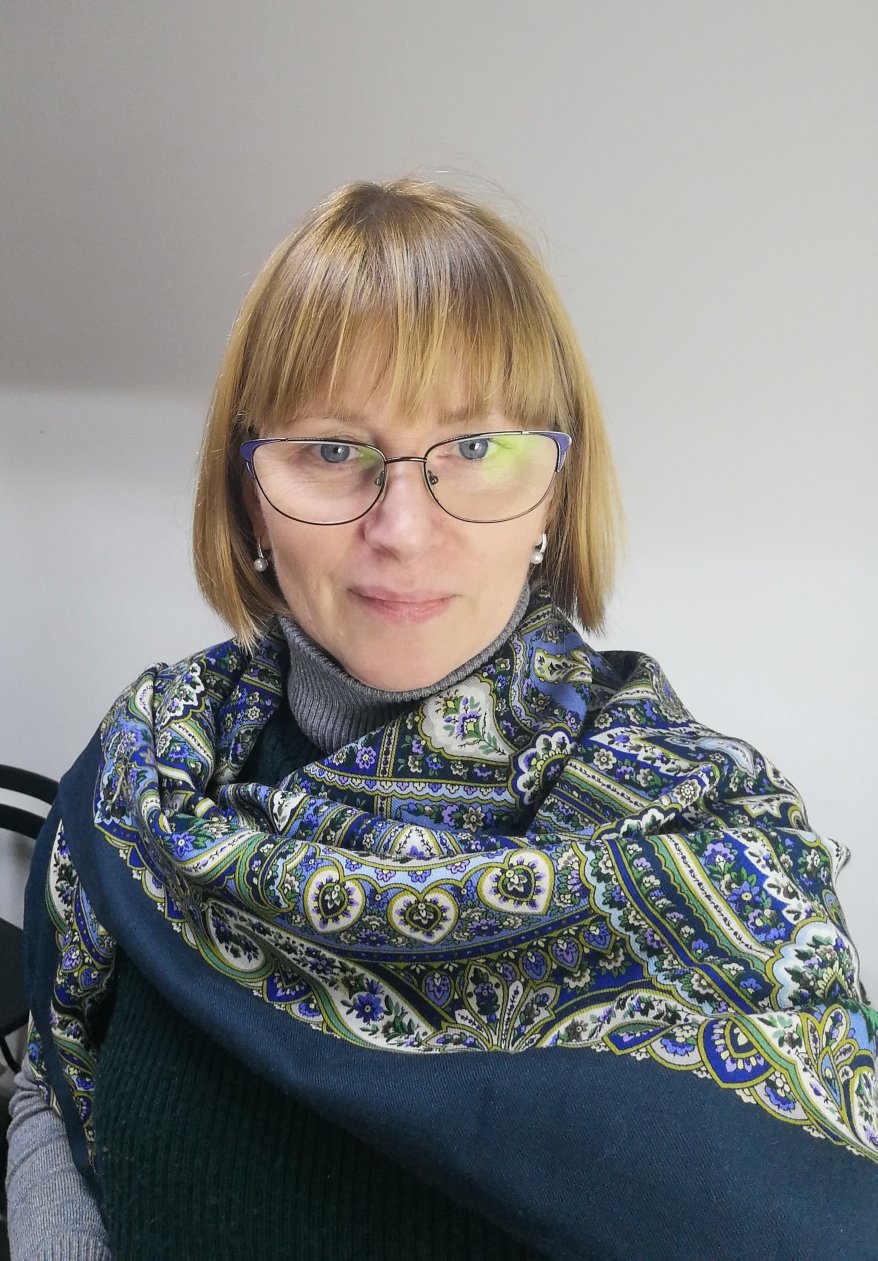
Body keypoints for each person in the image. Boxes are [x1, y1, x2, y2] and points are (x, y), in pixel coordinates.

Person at [6, 178, 878, 1261]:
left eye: (474, 446)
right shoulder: (145, 765)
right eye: (333, 449)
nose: (404, 529)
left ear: (552, 494)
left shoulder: (714, 839)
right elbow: (51, 1079)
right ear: (249, 498)